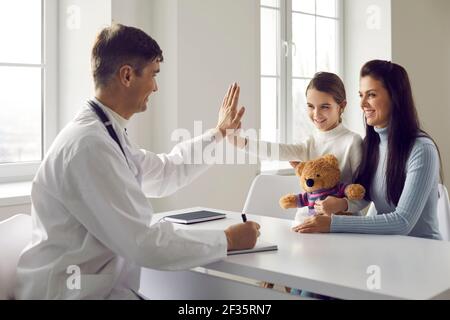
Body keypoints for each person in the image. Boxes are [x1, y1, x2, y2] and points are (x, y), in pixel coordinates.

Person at [15, 24, 260, 300]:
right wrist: (227, 239)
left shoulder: (105, 130)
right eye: (154, 75)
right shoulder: (90, 145)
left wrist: (218, 134)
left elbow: (167, 171)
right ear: (127, 75)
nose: (155, 87)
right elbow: (142, 243)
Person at [294, 60, 443, 240]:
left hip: (423, 255)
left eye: (371, 95)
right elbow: (366, 194)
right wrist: (341, 204)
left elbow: (402, 221)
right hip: (386, 249)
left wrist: (333, 224)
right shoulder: (371, 144)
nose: (362, 103)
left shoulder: (422, 150)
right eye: (361, 95)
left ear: (395, 97)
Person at [230, 72, 365, 218]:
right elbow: (278, 151)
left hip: (343, 225)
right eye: (310, 106)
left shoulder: (352, 142)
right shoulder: (309, 143)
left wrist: (343, 204)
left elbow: (364, 193)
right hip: (308, 224)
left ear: (341, 106)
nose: (316, 114)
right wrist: (240, 142)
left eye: (325, 107)